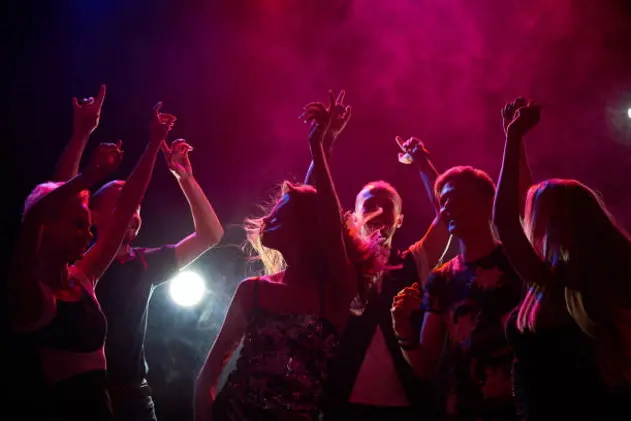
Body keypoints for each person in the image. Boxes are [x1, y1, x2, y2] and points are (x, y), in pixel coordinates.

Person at [195, 91, 385, 421]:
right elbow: (209, 374)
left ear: (305, 228)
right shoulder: (253, 289)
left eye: (281, 213)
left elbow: (324, 216)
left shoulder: (337, 292)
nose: (269, 218)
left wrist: (319, 147)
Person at [9, 100, 176, 421]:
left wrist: (154, 143)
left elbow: (127, 205)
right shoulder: (30, 292)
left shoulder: (84, 278)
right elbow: (37, 214)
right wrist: (88, 172)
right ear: (48, 227)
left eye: (88, 226)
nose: (87, 236)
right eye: (77, 225)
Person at [313, 94, 450, 421]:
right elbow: (316, 204)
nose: (376, 210)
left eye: (386, 204)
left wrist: (423, 164)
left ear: (400, 219)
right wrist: (324, 142)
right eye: (368, 205)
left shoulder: (414, 261)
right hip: (341, 404)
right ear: (354, 217)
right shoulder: (341, 263)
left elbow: (449, 213)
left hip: (410, 405)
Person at [494, 97, 631, 420]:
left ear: (551, 223)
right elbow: (521, 206)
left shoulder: (551, 282)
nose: (528, 220)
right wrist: (515, 141)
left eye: (535, 215)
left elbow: (506, 221)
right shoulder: (599, 274)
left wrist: (513, 139)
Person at [91, 138, 223, 421]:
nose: (133, 214)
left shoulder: (143, 262)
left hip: (134, 399)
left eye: (136, 206)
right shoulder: (75, 265)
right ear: (92, 215)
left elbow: (211, 235)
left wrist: (185, 178)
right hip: (84, 399)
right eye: (122, 205)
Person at [391, 161, 524, 420]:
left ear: (488, 202)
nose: (446, 207)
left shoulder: (518, 264)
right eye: (443, 201)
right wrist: (401, 327)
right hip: (464, 409)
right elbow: (426, 368)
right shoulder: (441, 279)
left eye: (456, 198)